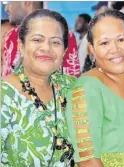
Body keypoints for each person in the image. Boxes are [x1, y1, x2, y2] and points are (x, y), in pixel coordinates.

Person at [65, 10, 124, 167]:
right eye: (104, 43)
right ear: (92, 49)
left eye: (121, 39)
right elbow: (88, 160)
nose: (115, 49)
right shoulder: (86, 88)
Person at [1, 9, 76, 166]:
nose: (46, 48)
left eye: (55, 42)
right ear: (21, 46)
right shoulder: (4, 95)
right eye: (37, 40)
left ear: (64, 52)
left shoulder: (70, 87)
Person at [3, 1, 80, 77]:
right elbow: (7, 82)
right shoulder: (11, 35)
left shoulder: (63, 34)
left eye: (10, 2)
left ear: (27, 2)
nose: (6, 8)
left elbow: (71, 80)